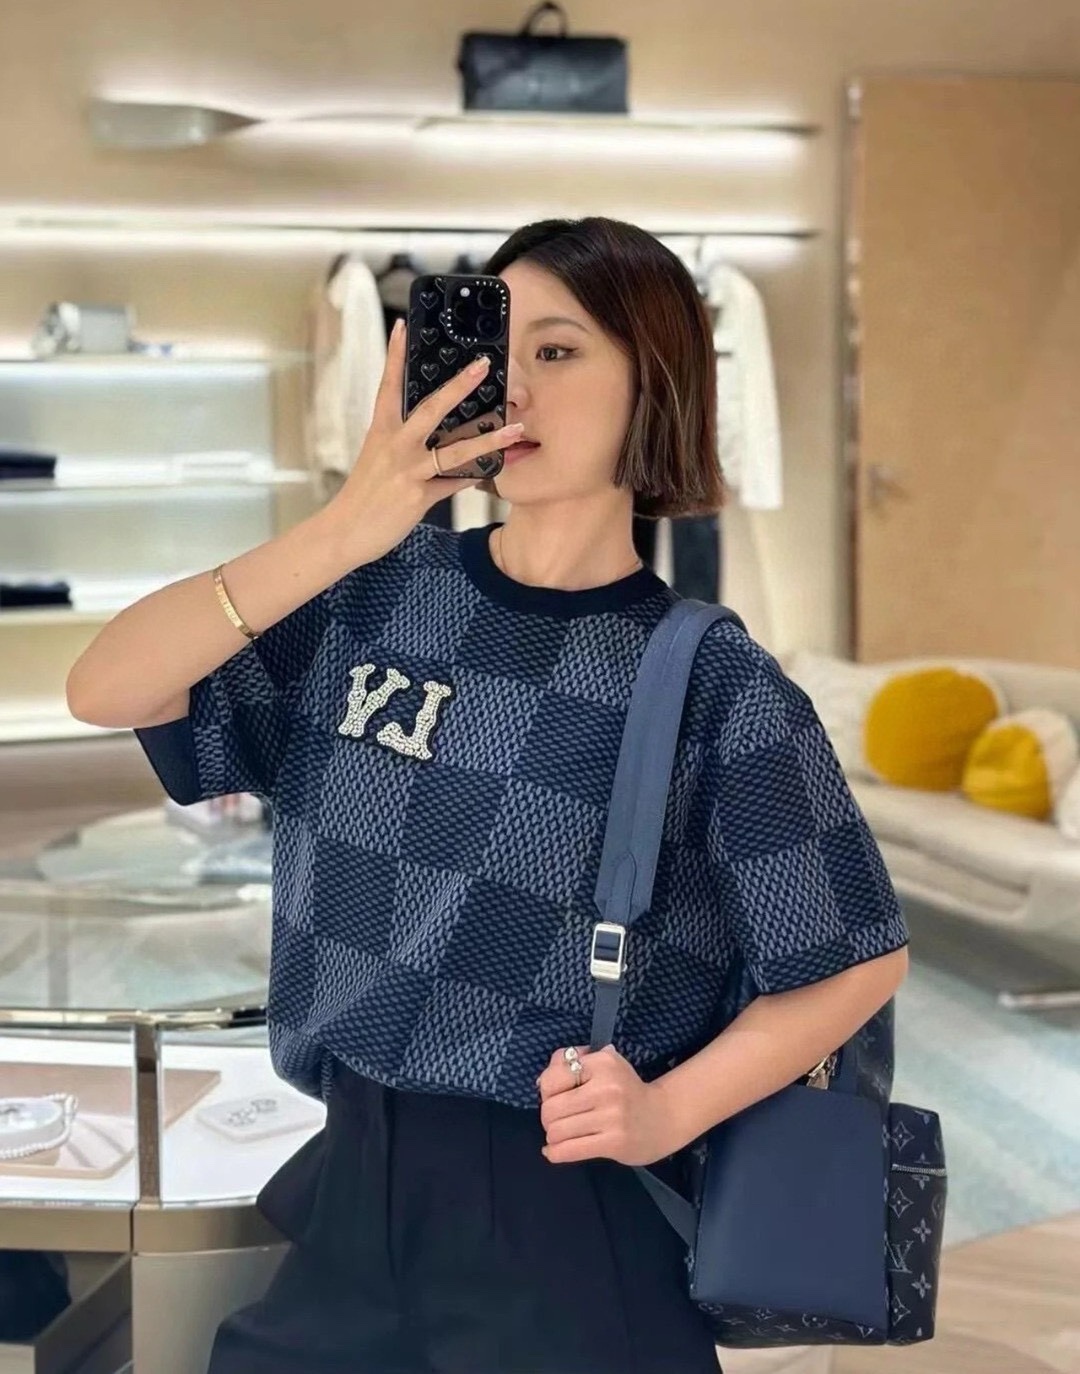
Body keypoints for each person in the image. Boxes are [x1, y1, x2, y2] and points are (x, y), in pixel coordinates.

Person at [66, 217, 910, 1374]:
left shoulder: (715, 683)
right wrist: (347, 526)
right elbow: (107, 686)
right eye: (494, 351)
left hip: (567, 1217)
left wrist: (666, 1111)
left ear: (652, 382)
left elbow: (855, 955)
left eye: (557, 352)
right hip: (350, 1181)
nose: (510, 387)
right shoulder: (370, 596)